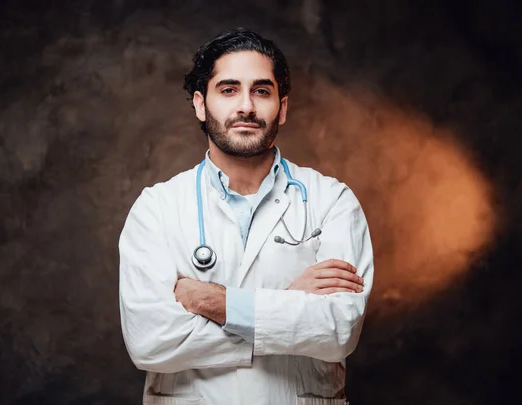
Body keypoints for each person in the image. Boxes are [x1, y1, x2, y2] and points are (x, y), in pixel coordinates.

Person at [119, 28, 374, 405]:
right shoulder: (156, 208)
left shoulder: (332, 200)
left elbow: (338, 331)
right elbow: (149, 341)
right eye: (228, 90)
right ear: (200, 104)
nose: (246, 107)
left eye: (261, 90)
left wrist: (214, 302)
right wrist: (286, 304)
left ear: (282, 108)